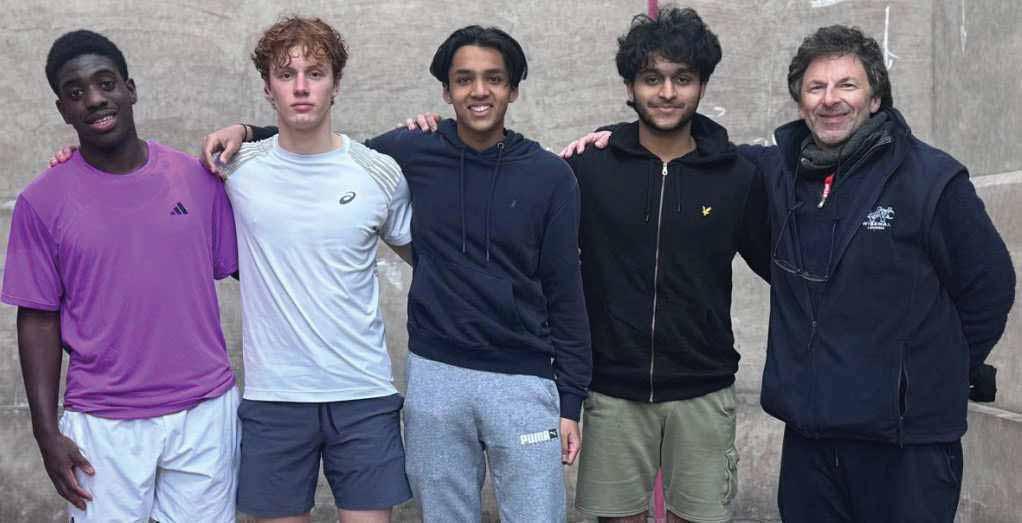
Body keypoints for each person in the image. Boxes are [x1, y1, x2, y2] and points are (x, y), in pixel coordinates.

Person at [566, 24, 1016, 522]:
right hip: (811, 436)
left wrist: (932, 373)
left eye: (847, 85)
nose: (830, 99)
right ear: (800, 102)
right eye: (816, 87)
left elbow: (990, 286)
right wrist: (609, 139)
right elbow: (680, 149)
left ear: (875, 98)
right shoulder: (776, 171)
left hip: (905, 440)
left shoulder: (930, 179)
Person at [202, 24, 591, 523]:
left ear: (513, 89)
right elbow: (308, 143)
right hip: (391, 381)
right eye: (464, 79)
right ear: (446, 91)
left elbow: (561, 289)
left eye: (494, 79)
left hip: (477, 383)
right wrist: (246, 130)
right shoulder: (248, 168)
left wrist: (570, 398)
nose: (479, 91)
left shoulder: (542, 175)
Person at [4, 30, 240, 522]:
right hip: (103, 422)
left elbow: (252, 272)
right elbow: (38, 319)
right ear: (63, 110)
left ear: (130, 89)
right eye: (76, 93)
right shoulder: (41, 201)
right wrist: (46, 433)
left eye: (105, 83)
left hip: (204, 413)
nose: (94, 99)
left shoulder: (196, 179)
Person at [566, 8, 769, 523]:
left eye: (683, 78)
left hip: (703, 385)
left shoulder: (736, 175)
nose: (667, 92)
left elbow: (779, 264)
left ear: (702, 85)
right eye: (651, 78)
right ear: (630, 87)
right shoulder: (588, 167)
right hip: (613, 387)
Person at [217, 17, 413, 523]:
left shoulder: (378, 172)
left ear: (335, 84)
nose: (301, 87)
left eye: (316, 73)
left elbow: (431, 261)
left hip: (363, 394)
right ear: (268, 87)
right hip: (275, 397)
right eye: (287, 75)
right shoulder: (235, 169)